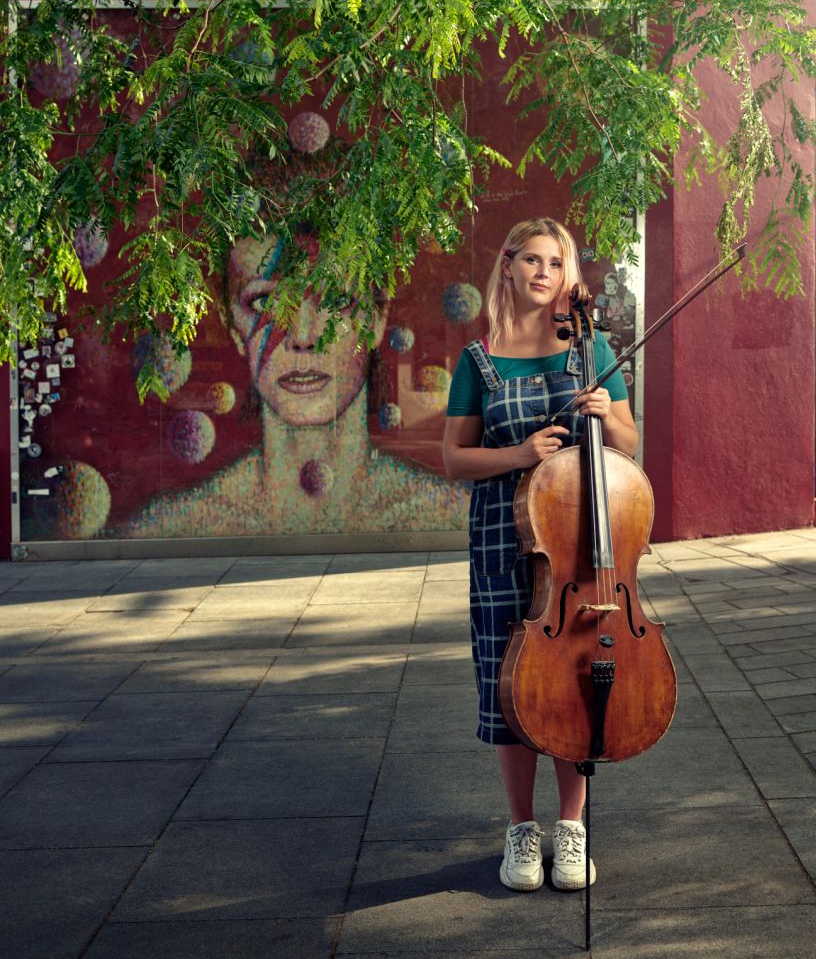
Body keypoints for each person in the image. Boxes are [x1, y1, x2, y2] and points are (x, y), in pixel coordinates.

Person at [442, 217, 639, 891]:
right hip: (502, 540)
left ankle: (574, 830)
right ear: (508, 266)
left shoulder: (590, 347)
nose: (541, 273)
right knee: (508, 688)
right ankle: (522, 831)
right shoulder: (480, 360)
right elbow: (454, 459)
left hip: (579, 546)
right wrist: (519, 456)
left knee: (575, 684)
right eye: (529, 259)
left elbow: (629, 447)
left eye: (554, 263)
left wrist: (606, 412)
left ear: (568, 275)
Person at [126, 234, 469, 537]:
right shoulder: (176, 524)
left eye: (335, 300)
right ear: (232, 326)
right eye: (265, 303)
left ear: (377, 320)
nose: (303, 336)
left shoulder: (444, 512)